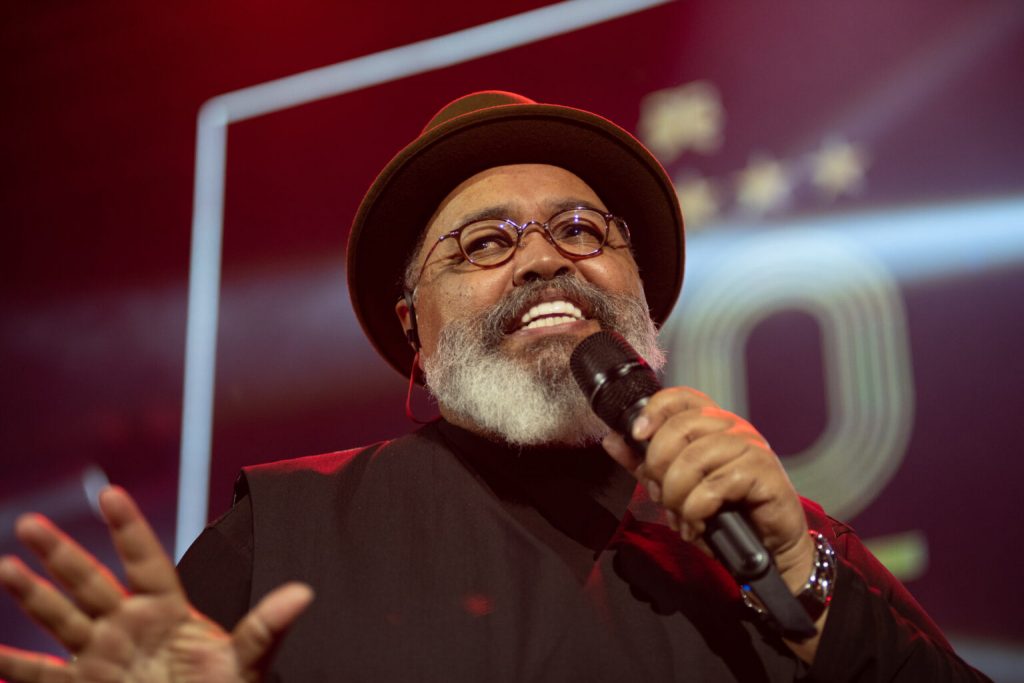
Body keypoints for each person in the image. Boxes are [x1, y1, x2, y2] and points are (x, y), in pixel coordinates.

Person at [0, 91, 990, 682]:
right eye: (484, 243)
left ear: (637, 291)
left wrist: (801, 572)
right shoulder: (284, 530)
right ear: (415, 330)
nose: (545, 259)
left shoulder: (779, 535)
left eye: (581, 229)